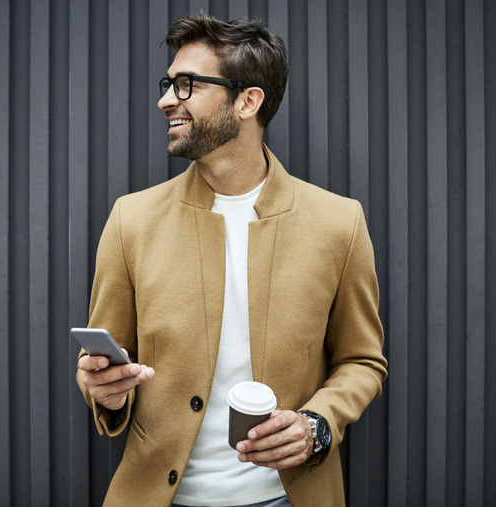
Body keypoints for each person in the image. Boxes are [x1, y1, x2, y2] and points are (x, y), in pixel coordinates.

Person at [77, 14, 387, 507]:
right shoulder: (130, 220)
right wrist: (104, 389)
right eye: (168, 84)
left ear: (248, 101)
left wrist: (317, 425)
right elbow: (103, 363)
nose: (165, 100)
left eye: (186, 86)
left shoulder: (339, 223)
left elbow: (362, 360)